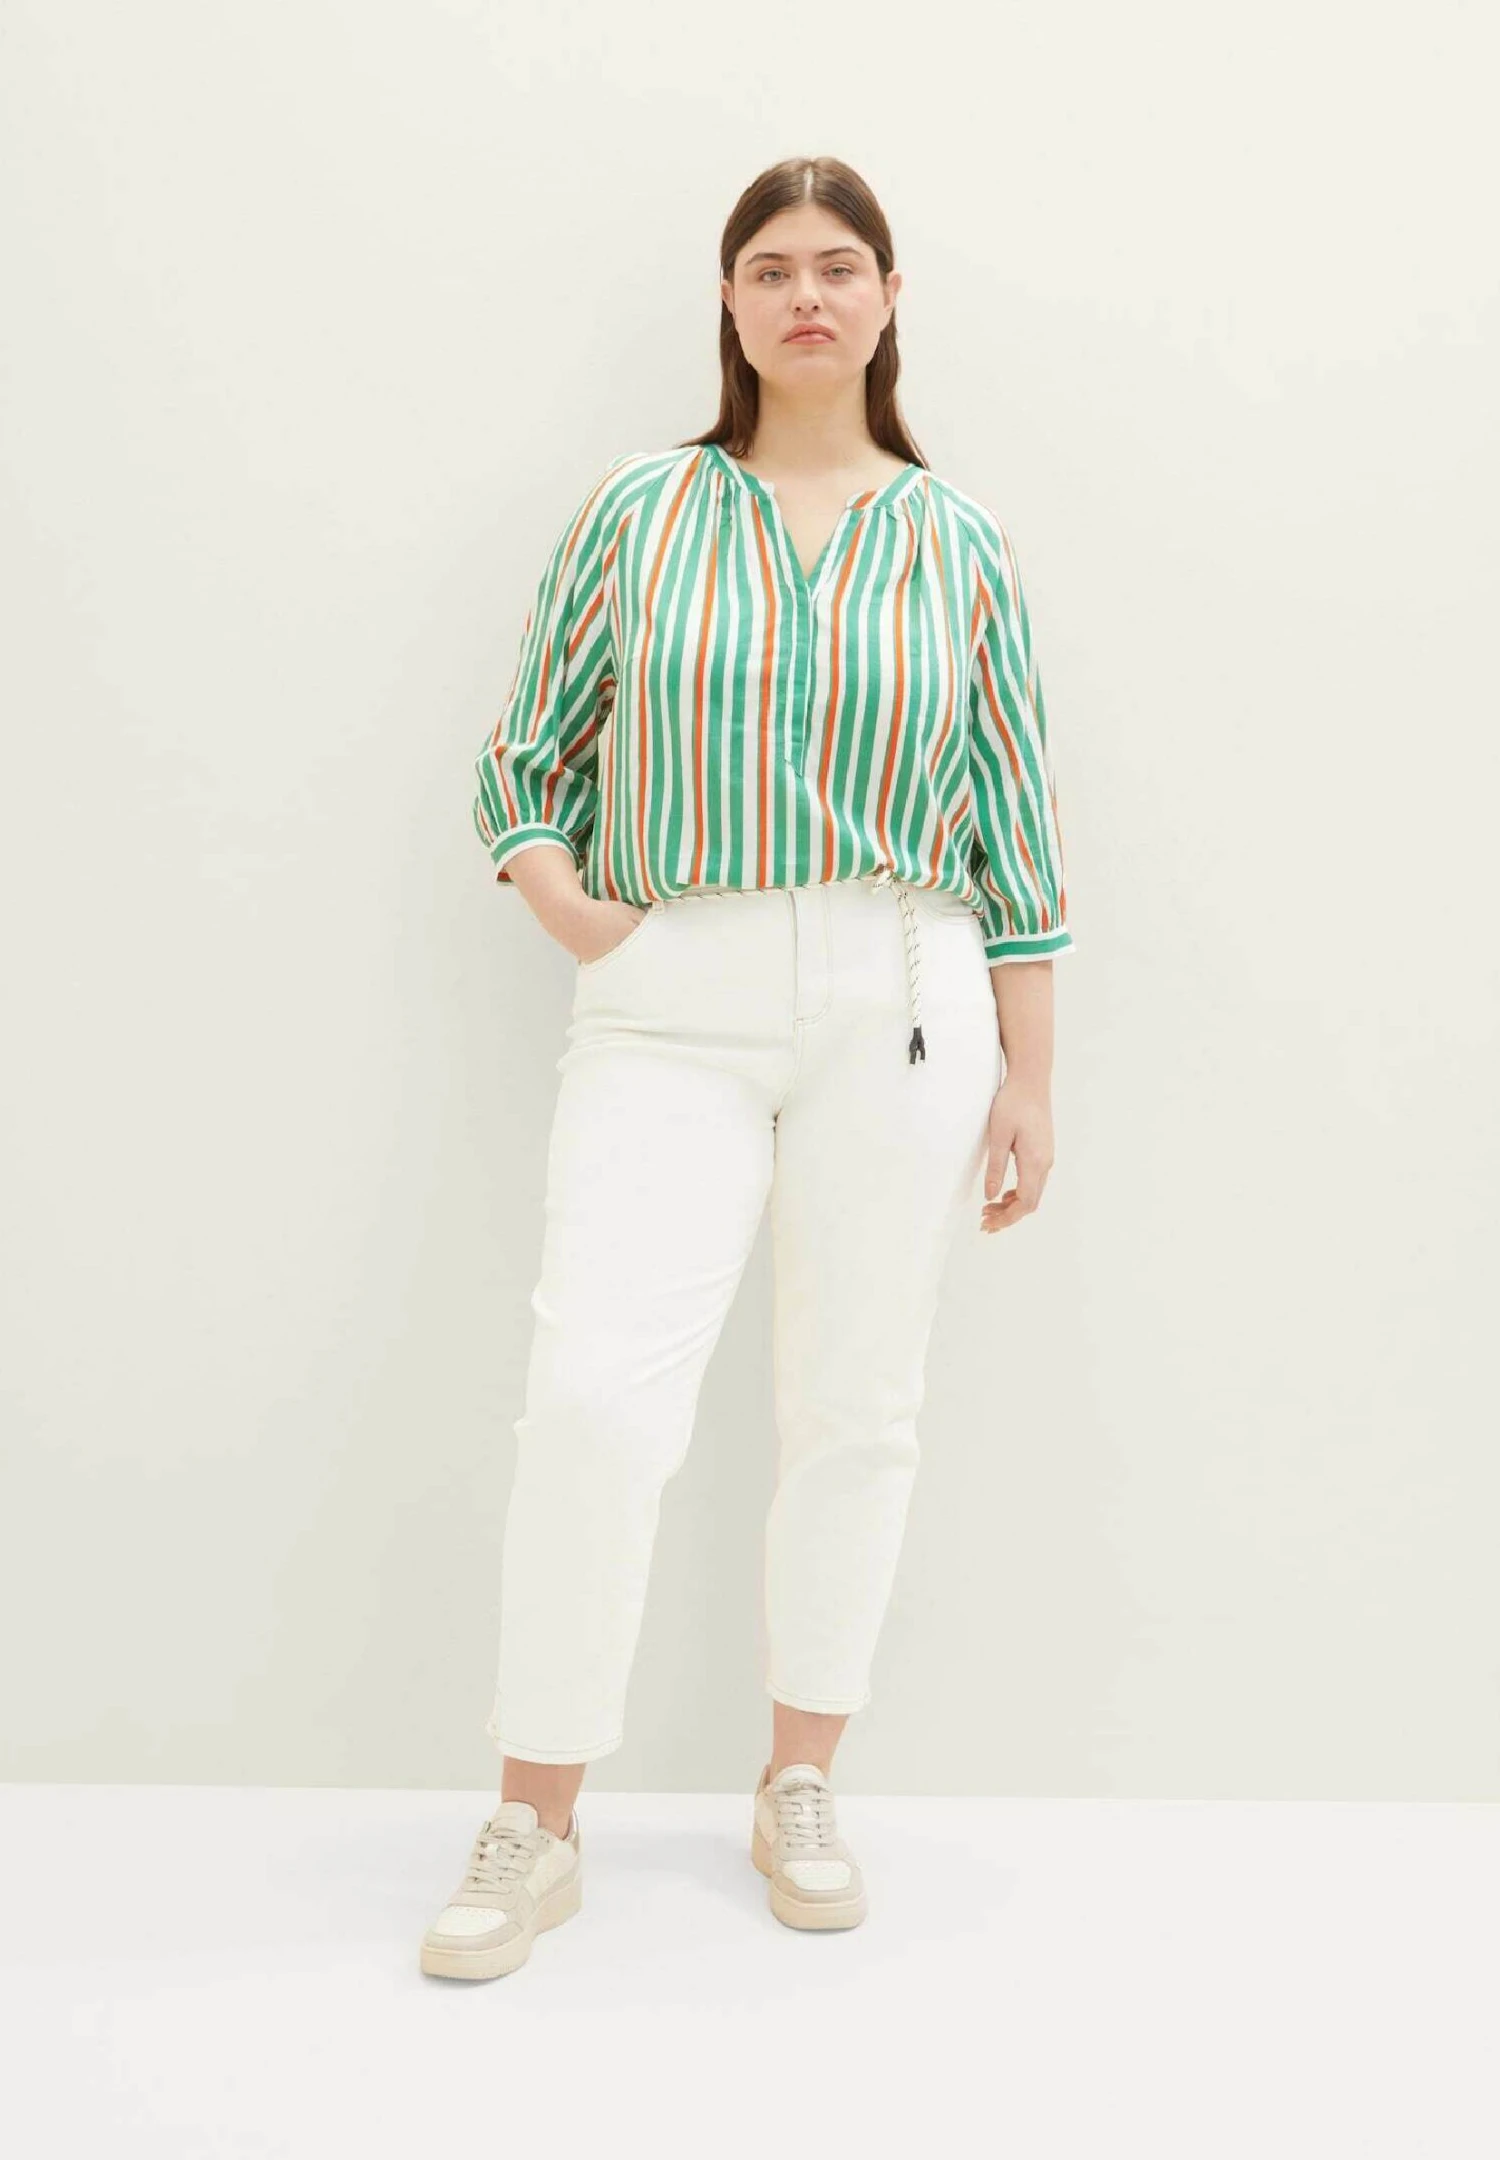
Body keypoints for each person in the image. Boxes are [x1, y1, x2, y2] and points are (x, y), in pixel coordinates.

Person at [420, 155, 1075, 1983]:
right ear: (729, 301)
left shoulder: (960, 542)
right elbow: (524, 755)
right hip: (669, 996)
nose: (806, 296)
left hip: (905, 993)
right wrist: (582, 918)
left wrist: (1031, 1078)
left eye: (839, 266)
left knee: (857, 1407)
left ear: (889, 299)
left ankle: (801, 1781)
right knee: (595, 1401)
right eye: (772, 268)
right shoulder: (639, 510)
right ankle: (536, 1820)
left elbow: (1016, 824)